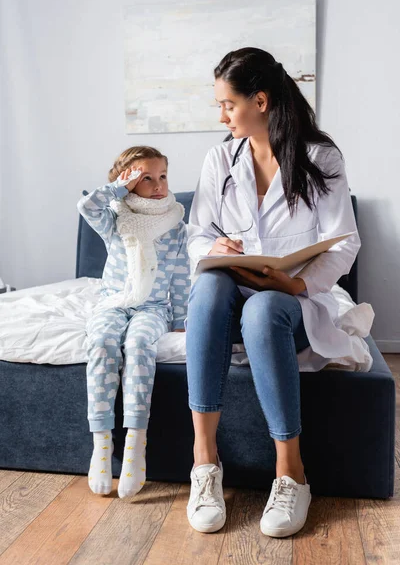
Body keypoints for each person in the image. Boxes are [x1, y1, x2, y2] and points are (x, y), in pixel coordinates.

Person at [185, 47, 363, 537]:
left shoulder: (320, 157)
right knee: (207, 291)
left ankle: (291, 475)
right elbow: (196, 234)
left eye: (227, 104)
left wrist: (298, 282)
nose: (220, 115)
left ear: (260, 100)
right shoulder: (221, 157)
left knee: (264, 311)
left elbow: (345, 242)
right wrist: (214, 244)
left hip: (294, 298)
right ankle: (205, 464)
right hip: (233, 288)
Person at [77, 146, 190, 499]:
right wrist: (118, 189)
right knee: (101, 343)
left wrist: (183, 318)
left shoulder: (175, 224)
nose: (158, 185)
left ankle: (135, 446)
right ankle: (101, 445)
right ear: (127, 182)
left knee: (139, 345)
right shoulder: (114, 217)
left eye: (162, 176)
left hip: (153, 308)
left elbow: (181, 276)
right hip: (114, 302)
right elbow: (86, 206)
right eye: (146, 178)